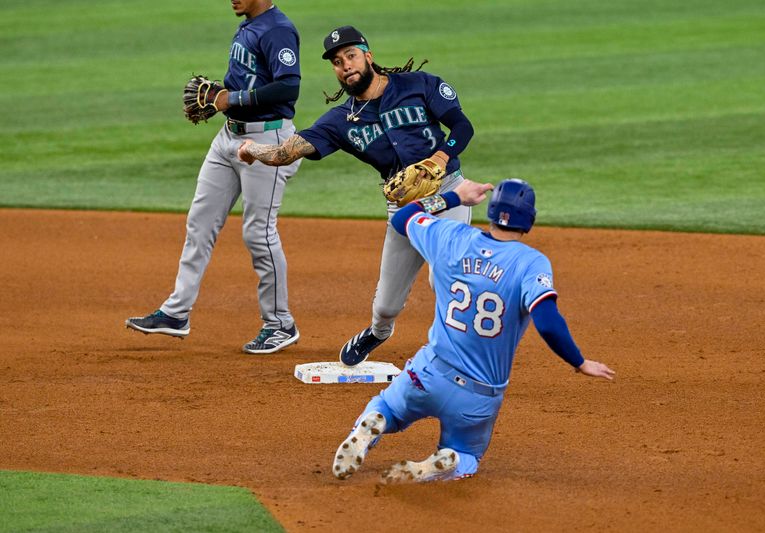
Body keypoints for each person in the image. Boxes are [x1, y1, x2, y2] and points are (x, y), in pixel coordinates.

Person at [331, 178, 616, 483]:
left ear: (491, 212)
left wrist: (453, 197)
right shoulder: (531, 263)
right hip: (477, 397)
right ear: (529, 221)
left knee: (386, 406)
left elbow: (402, 219)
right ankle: (450, 459)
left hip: (428, 375)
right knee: (468, 454)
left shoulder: (450, 236)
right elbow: (547, 321)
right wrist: (579, 362)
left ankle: (373, 425)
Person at [237, 25, 477, 366]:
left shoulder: (419, 85)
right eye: (337, 61)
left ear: (368, 56)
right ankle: (378, 333)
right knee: (386, 305)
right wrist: (253, 149)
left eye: (350, 56)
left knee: (445, 277)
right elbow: (286, 153)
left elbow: (462, 126)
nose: (345, 65)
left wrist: (438, 158)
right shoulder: (340, 121)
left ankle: (457, 353)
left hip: (448, 192)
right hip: (402, 208)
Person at [126, 0, 304, 354]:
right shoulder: (249, 23)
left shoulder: (278, 29)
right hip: (228, 137)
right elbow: (251, 80)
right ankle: (176, 312)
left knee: (258, 232)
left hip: (267, 141)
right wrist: (224, 96)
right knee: (200, 221)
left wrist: (229, 98)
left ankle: (280, 323)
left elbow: (288, 88)